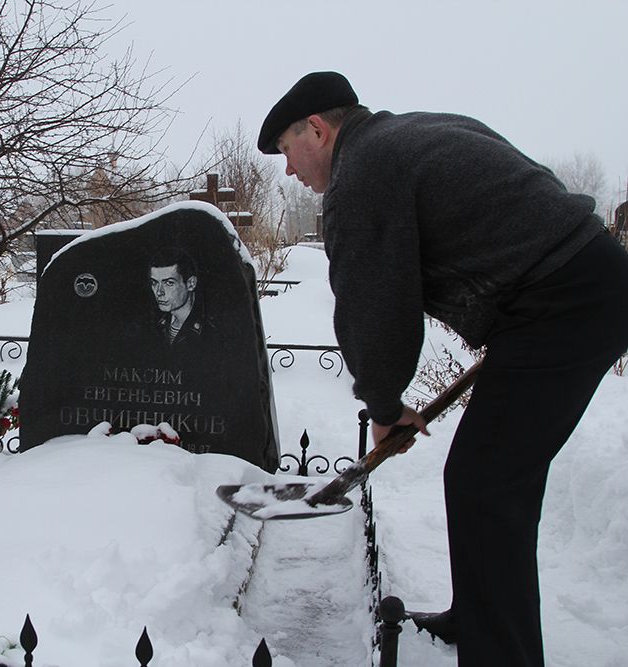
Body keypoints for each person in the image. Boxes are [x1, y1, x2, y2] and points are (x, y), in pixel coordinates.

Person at [257, 71, 628, 666]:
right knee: (488, 478)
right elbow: (531, 193)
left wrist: (384, 407)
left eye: (285, 150)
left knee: (486, 483)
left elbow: (375, 307)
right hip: (572, 286)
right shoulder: (409, 134)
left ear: (318, 130)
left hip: (563, 303)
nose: (288, 170)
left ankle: (500, 653)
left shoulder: (363, 176)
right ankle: (480, 616)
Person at [148, 248, 205, 346]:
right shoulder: (155, 324)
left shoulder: (210, 329)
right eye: (154, 283)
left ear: (191, 284)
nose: (159, 292)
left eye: (169, 283)